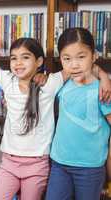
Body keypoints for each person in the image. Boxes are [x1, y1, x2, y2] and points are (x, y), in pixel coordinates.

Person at [0, 36, 111, 200]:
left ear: (39, 61)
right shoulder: (8, 80)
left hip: (37, 163)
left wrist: (104, 76)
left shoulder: (51, 83)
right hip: (9, 162)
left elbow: (79, 66)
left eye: (25, 57)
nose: (18, 63)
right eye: (14, 58)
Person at [45, 27, 111, 200]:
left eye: (81, 57)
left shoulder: (102, 90)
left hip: (90, 167)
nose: (74, 64)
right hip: (60, 163)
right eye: (67, 59)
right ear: (60, 60)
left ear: (94, 56)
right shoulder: (63, 83)